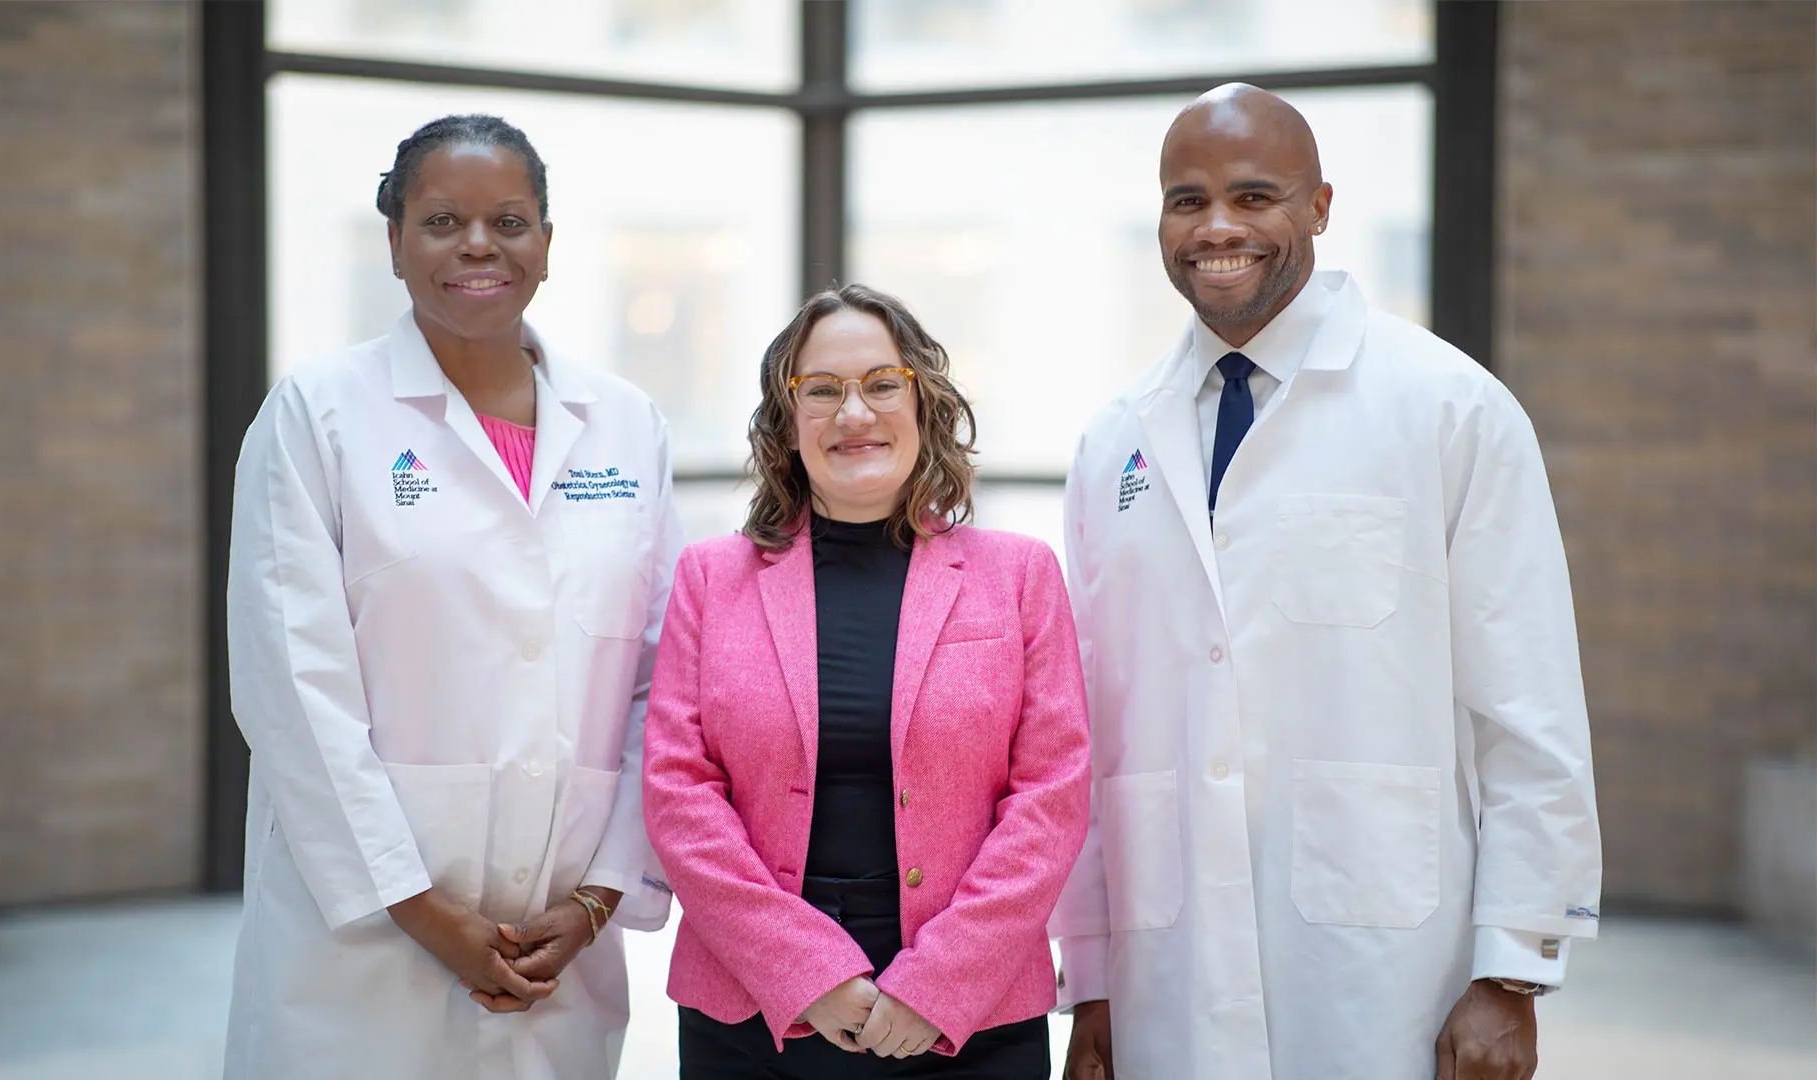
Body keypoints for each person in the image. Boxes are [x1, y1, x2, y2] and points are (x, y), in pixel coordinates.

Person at [1052, 84, 1603, 1080]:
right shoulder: (1112, 442)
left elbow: (1528, 706)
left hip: (1384, 970)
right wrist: (1089, 977)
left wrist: (1513, 970)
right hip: (1162, 972)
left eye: (1256, 195)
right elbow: (1089, 733)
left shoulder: (1448, 408)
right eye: (1188, 199)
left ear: (1320, 206)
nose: (1218, 226)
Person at [224, 114, 682, 1079]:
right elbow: (294, 688)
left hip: (558, 933)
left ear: (548, 246)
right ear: (393, 243)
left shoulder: (627, 425)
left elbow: (663, 685)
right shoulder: (319, 413)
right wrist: (418, 908)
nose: (479, 245)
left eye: (510, 221)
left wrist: (600, 896)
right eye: (441, 221)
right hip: (361, 934)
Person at [642, 285, 1091, 1078]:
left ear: (924, 403)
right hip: (757, 1016)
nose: (854, 413)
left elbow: (1052, 800)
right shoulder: (711, 579)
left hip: (970, 1015)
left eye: (883, 384)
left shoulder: (1018, 576)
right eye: (822, 391)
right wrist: (805, 973)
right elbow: (679, 796)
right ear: (786, 423)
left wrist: (937, 985)